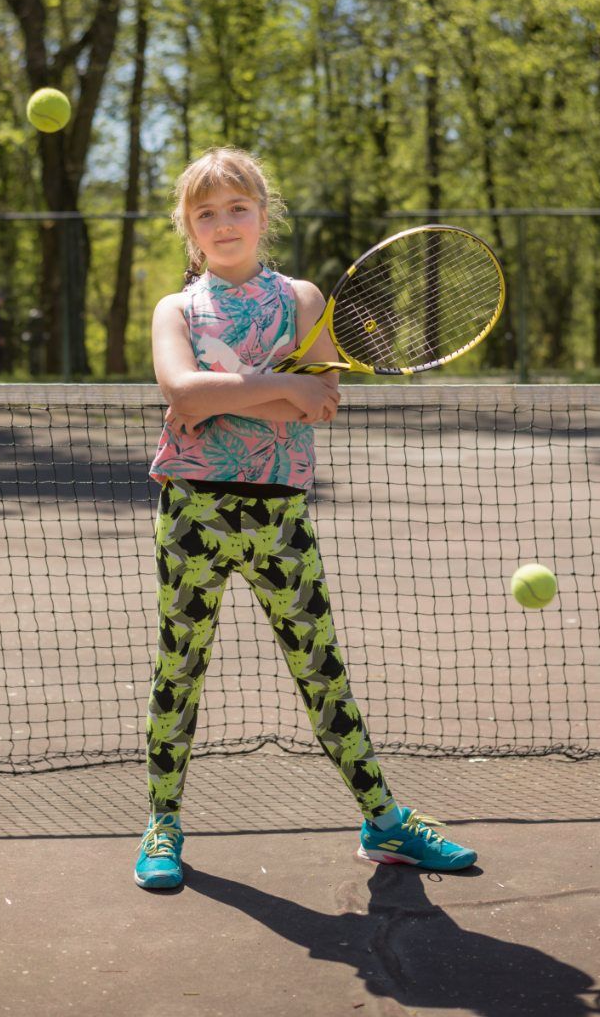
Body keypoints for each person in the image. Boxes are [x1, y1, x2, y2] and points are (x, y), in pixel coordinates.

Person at [135, 145, 477, 890]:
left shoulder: (301, 300)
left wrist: (225, 391)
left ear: (263, 214)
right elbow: (181, 392)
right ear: (188, 229)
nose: (224, 223)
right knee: (180, 668)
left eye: (237, 208)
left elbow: (320, 397)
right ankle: (162, 820)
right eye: (206, 213)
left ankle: (384, 823)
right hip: (193, 506)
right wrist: (267, 391)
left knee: (321, 671)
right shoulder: (176, 308)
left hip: (280, 514)